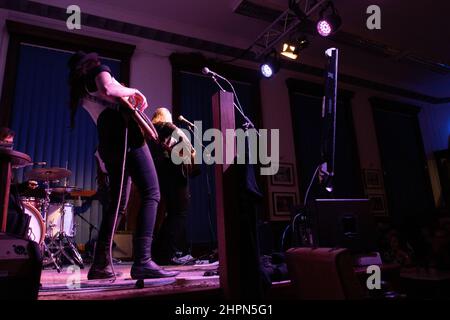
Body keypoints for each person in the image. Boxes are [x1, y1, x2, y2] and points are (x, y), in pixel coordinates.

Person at [68, 51, 178, 280]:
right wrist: (134, 91)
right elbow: (110, 90)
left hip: (108, 139)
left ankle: (99, 265)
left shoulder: (82, 90)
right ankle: (144, 261)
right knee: (151, 193)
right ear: (90, 63)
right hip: (123, 133)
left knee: (117, 204)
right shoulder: (99, 71)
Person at [150, 108, 197, 265]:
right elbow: (186, 142)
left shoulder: (150, 130)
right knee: (179, 213)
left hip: (161, 177)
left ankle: (158, 252)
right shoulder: (167, 126)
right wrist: (192, 153)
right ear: (165, 117)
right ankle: (165, 253)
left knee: (170, 214)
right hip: (176, 176)